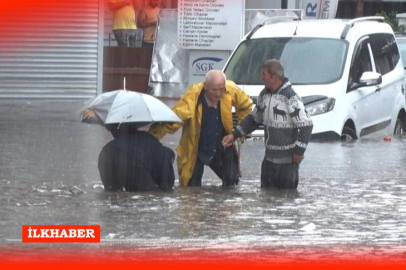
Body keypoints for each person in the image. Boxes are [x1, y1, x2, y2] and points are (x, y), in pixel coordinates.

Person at [148, 70, 253, 187]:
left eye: (221, 89)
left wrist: (240, 132)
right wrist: (149, 139)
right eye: (214, 90)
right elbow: (172, 120)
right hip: (196, 149)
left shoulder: (230, 89)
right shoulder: (192, 96)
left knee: (232, 184)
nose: (218, 93)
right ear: (205, 86)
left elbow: (246, 106)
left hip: (222, 146)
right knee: (191, 189)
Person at [222, 60, 313, 189]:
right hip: (268, 162)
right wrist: (235, 134)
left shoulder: (291, 98)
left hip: (287, 164)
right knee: (266, 201)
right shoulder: (264, 95)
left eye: (263, 74)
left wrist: (299, 151)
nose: (261, 77)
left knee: (287, 203)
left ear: (274, 77)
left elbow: (306, 125)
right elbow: (254, 119)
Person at [98, 123, 175, 192]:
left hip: (105, 154)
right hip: (130, 160)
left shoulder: (150, 144)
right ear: (171, 159)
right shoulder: (164, 157)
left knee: (112, 194)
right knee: (149, 195)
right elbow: (167, 185)